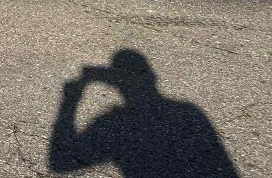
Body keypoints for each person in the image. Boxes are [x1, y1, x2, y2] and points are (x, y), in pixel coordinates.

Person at [49, 49, 239, 178]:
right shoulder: (188, 111)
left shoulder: (114, 121)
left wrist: (69, 102)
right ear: (152, 77)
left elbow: (60, 163)